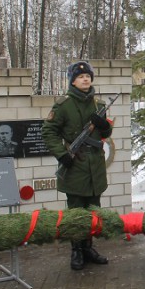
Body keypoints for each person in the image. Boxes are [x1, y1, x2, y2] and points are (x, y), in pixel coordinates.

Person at [42, 61, 113, 270]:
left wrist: (105, 127)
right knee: (75, 212)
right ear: (73, 80)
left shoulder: (98, 105)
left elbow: (105, 134)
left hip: (95, 167)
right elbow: (48, 132)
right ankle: (76, 250)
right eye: (81, 76)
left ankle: (89, 248)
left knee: (93, 211)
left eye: (88, 76)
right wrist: (62, 155)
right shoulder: (63, 105)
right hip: (75, 165)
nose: (85, 79)